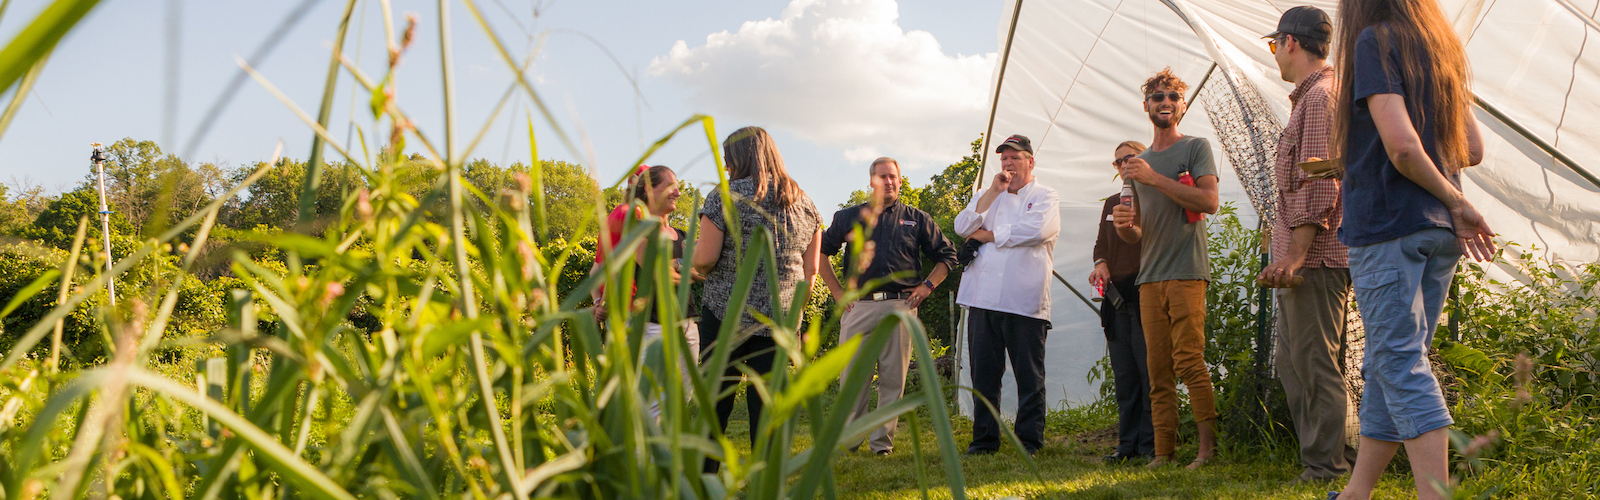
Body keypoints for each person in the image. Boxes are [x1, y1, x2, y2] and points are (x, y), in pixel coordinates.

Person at [1329, 0, 1495, 498]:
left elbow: (1401, 148)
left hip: (1389, 224)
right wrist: (1449, 198)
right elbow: (1473, 149)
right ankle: (1357, 494)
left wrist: (1457, 200)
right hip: (1437, 231)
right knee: (1389, 360)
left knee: (1399, 363)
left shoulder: (1375, 40)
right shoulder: (1442, 47)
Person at [1255, 6, 1361, 484]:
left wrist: (1295, 255)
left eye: (1275, 44)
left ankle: (1327, 467)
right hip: (1300, 256)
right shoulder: (1310, 98)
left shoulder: (1319, 99)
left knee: (1315, 364)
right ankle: (1323, 458)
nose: (1275, 53)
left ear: (1290, 42)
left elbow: (1321, 184)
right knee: (1292, 364)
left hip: (1315, 258)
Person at [693, 126, 823, 474]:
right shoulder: (805, 203)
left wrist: (683, 262)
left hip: (725, 316)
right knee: (768, 410)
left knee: (714, 405)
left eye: (727, 158)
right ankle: (769, 487)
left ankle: (704, 484)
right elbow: (811, 271)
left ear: (738, 157)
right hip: (780, 322)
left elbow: (705, 259)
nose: (724, 166)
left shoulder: (724, 197)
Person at [1111, 68, 1221, 469]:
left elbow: (1209, 202)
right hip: (1149, 278)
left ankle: (1207, 452)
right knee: (1157, 372)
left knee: (1190, 362)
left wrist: (1154, 178)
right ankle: (1163, 453)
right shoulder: (1136, 165)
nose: (1165, 102)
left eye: (1172, 97)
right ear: (1146, 107)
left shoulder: (1195, 147)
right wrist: (1125, 228)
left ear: (1182, 106)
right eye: (1157, 97)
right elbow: (1136, 233)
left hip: (1188, 271)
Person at [819, 157, 958, 456]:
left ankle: (882, 445)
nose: (889, 182)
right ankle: (851, 441)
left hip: (901, 307)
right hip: (859, 308)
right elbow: (820, 253)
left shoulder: (916, 218)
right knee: (853, 376)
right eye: (883, 177)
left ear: (900, 179)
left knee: (893, 378)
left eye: (894, 176)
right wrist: (837, 292)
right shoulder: (848, 217)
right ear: (872, 181)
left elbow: (948, 256)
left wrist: (927, 287)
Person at [954, 134, 1061, 456]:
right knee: (984, 375)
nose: (1008, 163)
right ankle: (984, 440)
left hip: (1024, 299)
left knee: (1029, 376)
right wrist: (991, 192)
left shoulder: (1046, 195)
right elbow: (962, 225)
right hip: (982, 298)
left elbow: (1036, 231)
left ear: (1030, 161)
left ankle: (1029, 441)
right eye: (1004, 159)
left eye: (1015, 158)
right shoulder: (988, 196)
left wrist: (987, 235)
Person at [591, 165, 701, 421]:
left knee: (680, 400)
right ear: (648, 190)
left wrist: (684, 268)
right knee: (650, 402)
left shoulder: (681, 235)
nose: (678, 192)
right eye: (671, 186)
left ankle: (664, 456)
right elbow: (657, 273)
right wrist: (598, 300)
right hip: (648, 323)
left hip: (686, 321)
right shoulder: (631, 223)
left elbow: (698, 271)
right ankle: (644, 458)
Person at [1091, 140, 1154, 464]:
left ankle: (1151, 445)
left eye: (1130, 158)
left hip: (1146, 296)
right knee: (1125, 375)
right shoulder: (1112, 202)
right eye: (1118, 162)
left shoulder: (1155, 197)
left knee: (1149, 374)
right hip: (1117, 302)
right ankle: (1126, 445)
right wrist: (1100, 262)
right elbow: (1101, 245)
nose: (1124, 165)